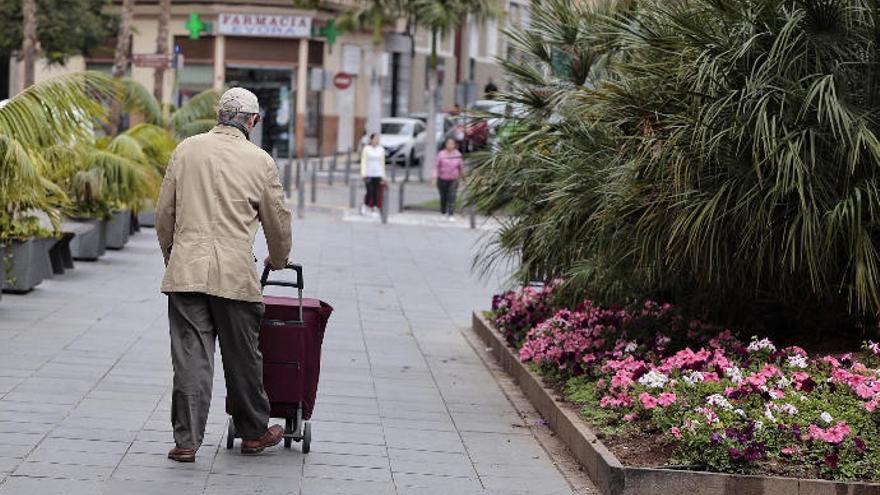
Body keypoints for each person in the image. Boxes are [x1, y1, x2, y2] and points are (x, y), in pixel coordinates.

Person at [155, 87, 292, 463]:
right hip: (235, 274)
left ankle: (186, 441)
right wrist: (278, 260)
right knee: (243, 357)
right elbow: (277, 220)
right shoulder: (260, 161)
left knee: (190, 360)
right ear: (253, 121)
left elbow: (164, 214)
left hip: (187, 270)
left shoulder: (186, 149)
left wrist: (175, 257)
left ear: (219, 115)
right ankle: (253, 433)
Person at [433, 137, 465, 221]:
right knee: (443, 197)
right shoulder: (441, 154)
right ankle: (443, 212)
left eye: (452, 143)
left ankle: (451, 214)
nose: (450, 145)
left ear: (454, 145)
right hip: (442, 179)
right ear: (446, 144)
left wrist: (463, 178)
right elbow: (436, 167)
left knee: (452, 196)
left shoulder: (458, 154)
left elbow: (461, 167)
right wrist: (434, 177)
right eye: (448, 143)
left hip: (453, 179)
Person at [360, 133, 385, 218]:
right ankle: (365, 205)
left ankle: (374, 208)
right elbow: (364, 162)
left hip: (377, 173)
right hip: (368, 173)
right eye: (375, 139)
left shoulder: (381, 149)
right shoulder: (366, 149)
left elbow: (382, 163)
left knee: (375, 192)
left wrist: (383, 176)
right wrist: (363, 173)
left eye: (378, 139)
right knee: (369, 191)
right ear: (371, 140)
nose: (377, 140)